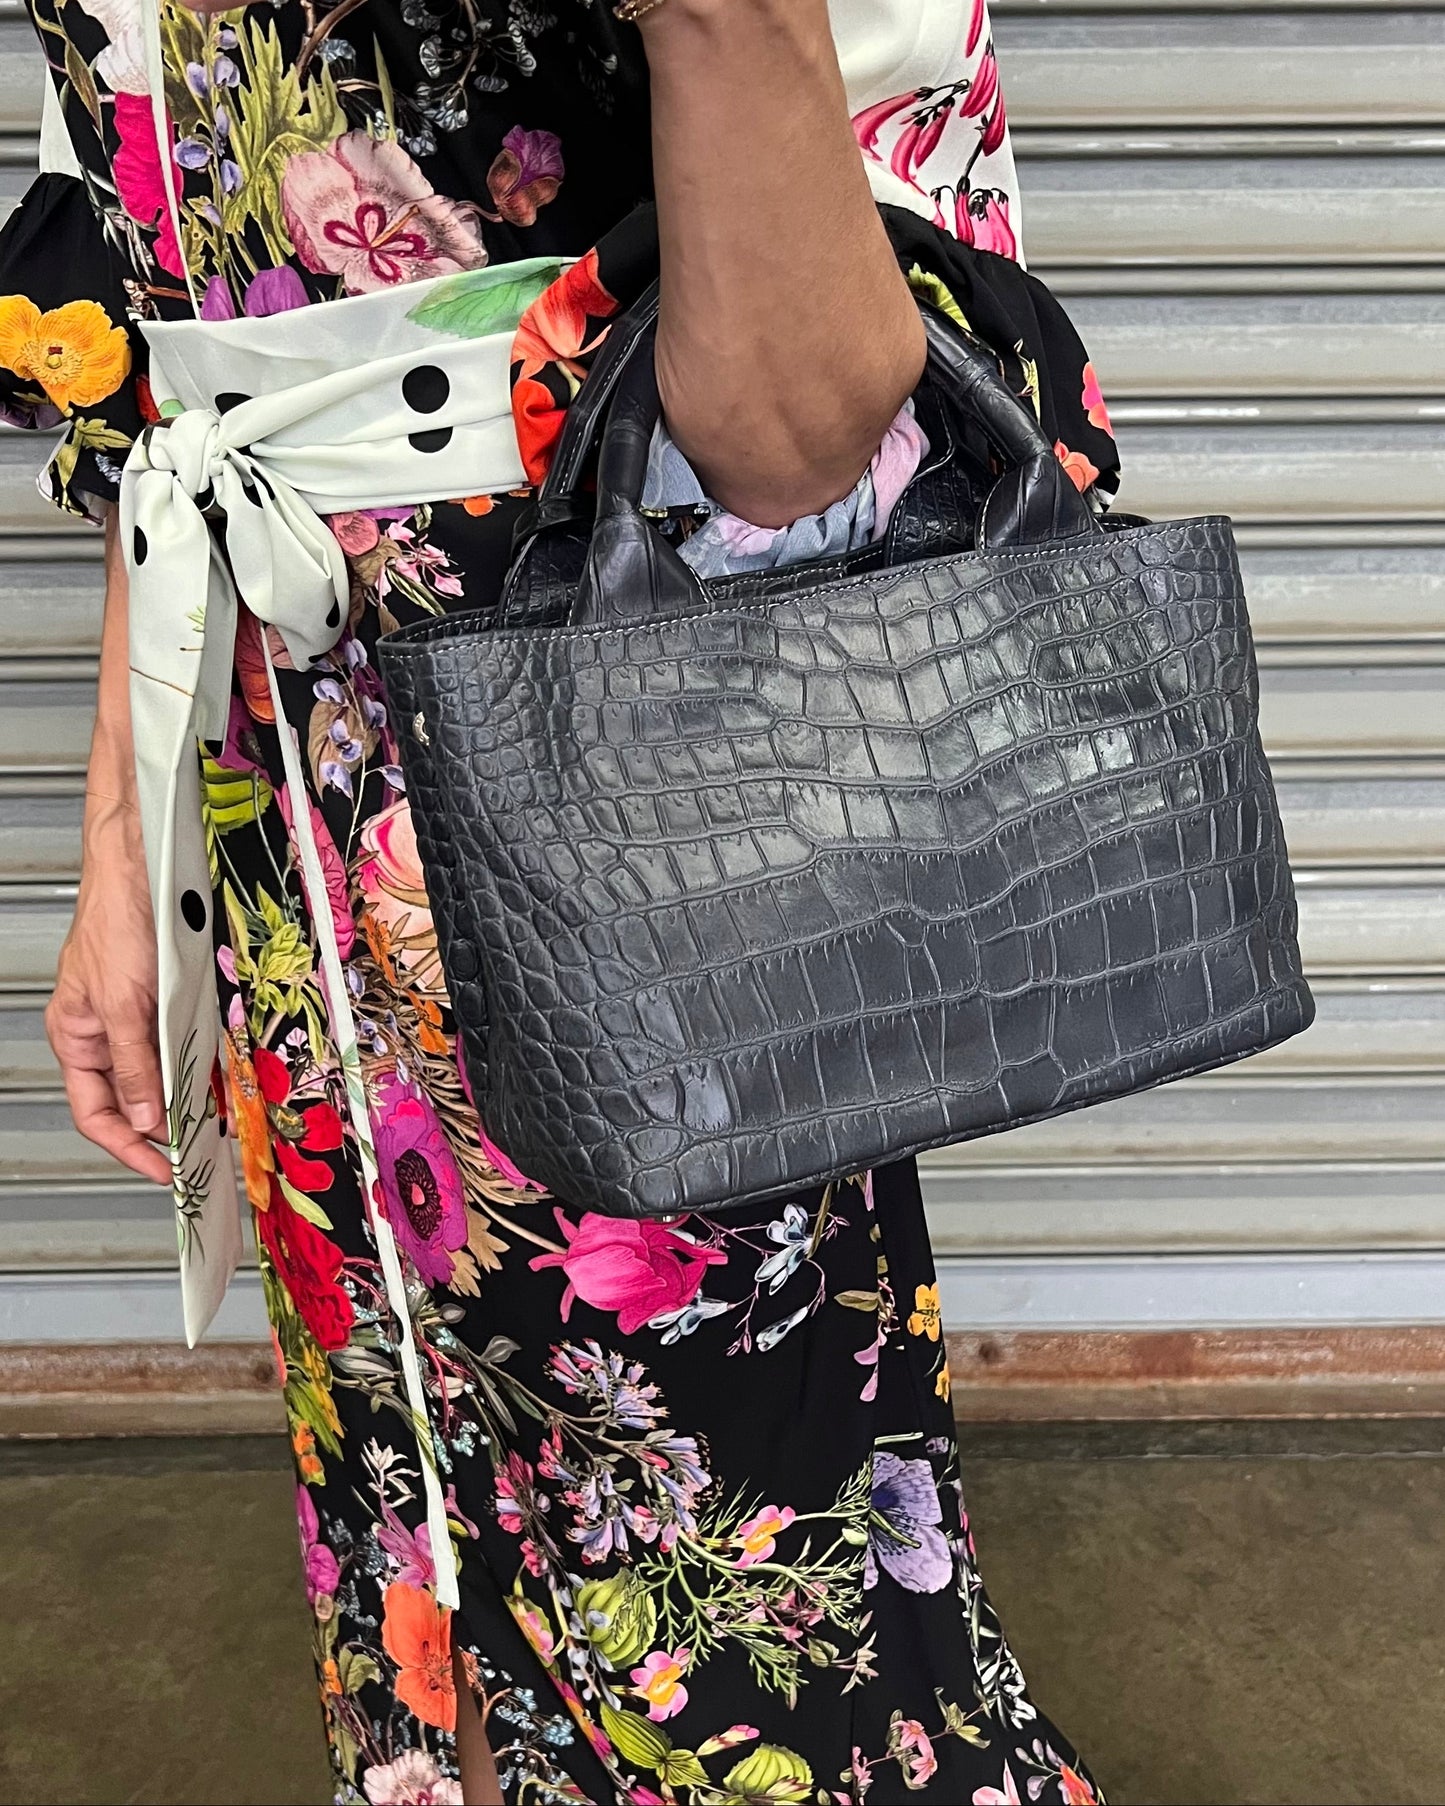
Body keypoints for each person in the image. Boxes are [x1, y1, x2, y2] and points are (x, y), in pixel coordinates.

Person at [1, 0, 1118, 1797]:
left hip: (639, 783)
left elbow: (827, 452)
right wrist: (121, 861)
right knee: (407, 1505)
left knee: (735, 1592)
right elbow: (159, 362)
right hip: (278, 814)